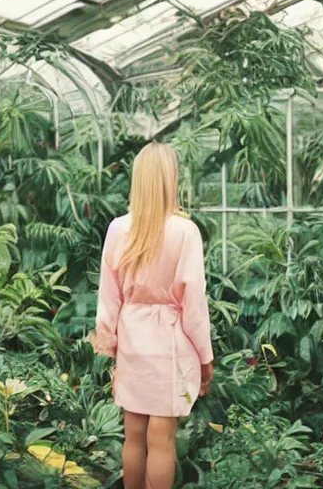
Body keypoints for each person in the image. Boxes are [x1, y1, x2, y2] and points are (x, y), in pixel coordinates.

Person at [94, 142, 213, 489]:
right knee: (161, 442)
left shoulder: (118, 229)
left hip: (132, 339)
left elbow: (108, 295)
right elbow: (194, 306)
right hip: (169, 345)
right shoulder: (184, 231)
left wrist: (110, 344)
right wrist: (205, 358)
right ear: (169, 179)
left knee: (133, 436)